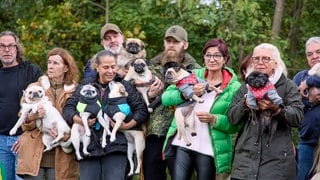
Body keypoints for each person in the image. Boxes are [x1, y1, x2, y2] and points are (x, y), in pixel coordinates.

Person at [161, 38, 242, 180]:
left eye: (217, 55)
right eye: (208, 55)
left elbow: (235, 124)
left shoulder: (234, 87)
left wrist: (214, 119)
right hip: (183, 143)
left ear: (225, 59)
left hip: (209, 148)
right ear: (203, 58)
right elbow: (166, 98)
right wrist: (187, 94)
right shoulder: (192, 75)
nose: (212, 59)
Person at [63, 49, 148, 180]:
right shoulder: (86, 86)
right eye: (106, 67)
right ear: (97, 67)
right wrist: (79, 119)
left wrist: (126, 125)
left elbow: (141, 110)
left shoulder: (123, 85)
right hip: (89, 145)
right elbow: (68, 108)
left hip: (116, 146)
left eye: (113, 67)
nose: (110, 71)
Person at [228, 43, 304, 180]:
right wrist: (245, 104)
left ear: (275, 63)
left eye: (266, 59)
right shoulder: (246, 87)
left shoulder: (288, 86)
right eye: (256, 59)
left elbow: (298, 118)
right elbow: (232, 118)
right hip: (245, 164)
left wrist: (277, 109)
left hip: (276, 165)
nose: (260, 63)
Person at [142, 25, 200, 180]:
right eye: (168, 41)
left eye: (176, 41)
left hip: (180, 132)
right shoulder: (150, 67)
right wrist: (149, 95)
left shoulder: (195, 70)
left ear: (185, 45)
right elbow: (135, 97)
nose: (171, 45)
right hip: (155, 131)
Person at [15, 47, 80, 179]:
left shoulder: (76, 91)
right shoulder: (34, 87)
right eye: (49, 62)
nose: (50, 66)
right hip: (34, 153)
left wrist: (66, 137)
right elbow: (24, 124)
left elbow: (78, 123)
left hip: (63, 156)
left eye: (56, 63)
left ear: (66, 68)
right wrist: (34, 116)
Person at [0, 30, 42, 180]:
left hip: (24, 139)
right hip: (0, 143)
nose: (6, 50)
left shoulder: (31, 71)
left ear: (17, 48)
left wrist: (26, 135)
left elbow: (44, 102)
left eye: (10, 46)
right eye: (2, 46)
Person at [293, 37, 320, 180]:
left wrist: (309, 82)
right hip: (307, 142)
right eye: (310, 54)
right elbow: (291, 107)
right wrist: (311, 101)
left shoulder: (306, 80)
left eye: (318, 52)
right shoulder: (299, 77)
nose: (314, 56)